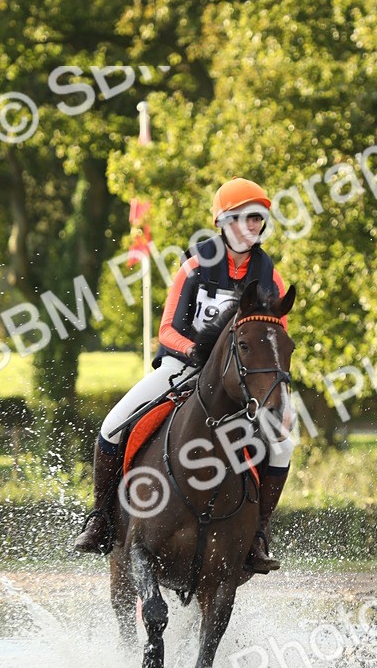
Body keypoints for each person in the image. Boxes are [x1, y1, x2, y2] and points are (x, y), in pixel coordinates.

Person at [74, 177, 293, 571]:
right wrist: (196, 352)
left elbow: (276, 339)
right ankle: (102, 521)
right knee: (111, 427)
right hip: (185, 365)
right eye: (244, 218)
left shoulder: (270, 276)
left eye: (258, 219)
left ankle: (258, 536)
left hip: (242, 381)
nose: (253, 226)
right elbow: (167, 331)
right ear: (224, 222)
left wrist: (277, 397)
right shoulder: (195, 266)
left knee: (283, 445)